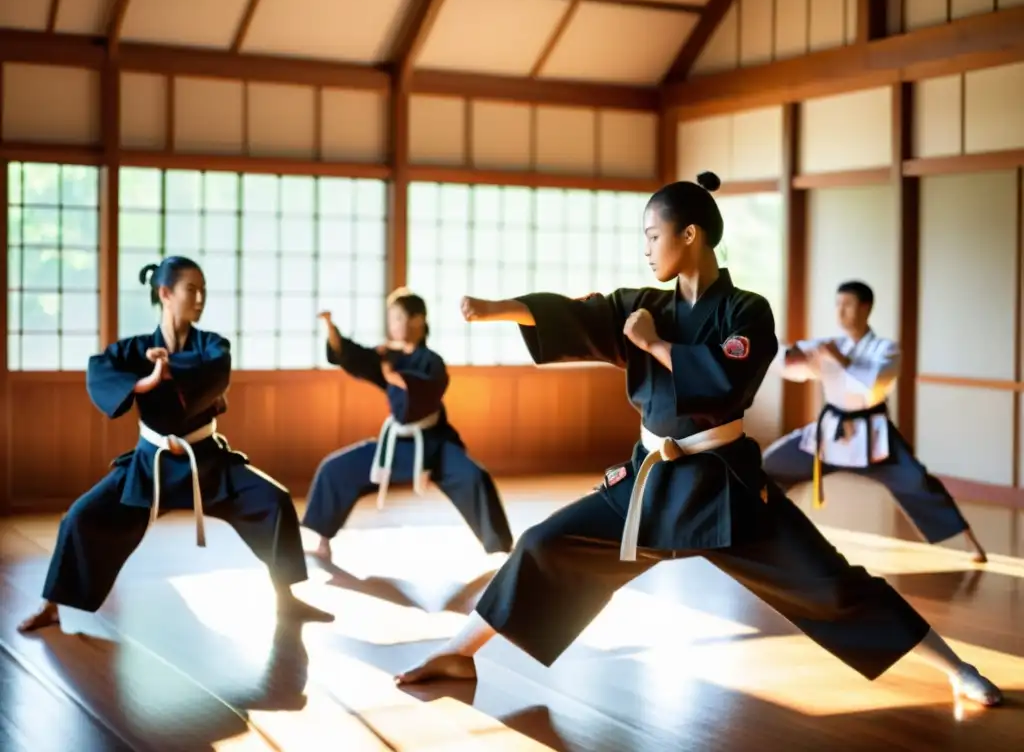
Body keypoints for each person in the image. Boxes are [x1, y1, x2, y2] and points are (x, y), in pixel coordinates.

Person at [393, 173, 1002, 709]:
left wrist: (657, 346)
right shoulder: (643, 304)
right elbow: (583, 316)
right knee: (546, 542)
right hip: (649, 483)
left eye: (653, 236)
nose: (646, 249)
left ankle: (957, 669)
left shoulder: (746, 310)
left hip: (726, 489)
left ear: (690, 235)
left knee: (830, 584)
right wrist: (500, 309)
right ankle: (459, 651)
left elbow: (729, 375)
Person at [18, 256, 331, 634]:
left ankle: (286, 598)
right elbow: (100, 368)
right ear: (165, 293)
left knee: (274, 501)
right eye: (191, 289)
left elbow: (216, 369)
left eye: (203, 289)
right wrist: (144, 383)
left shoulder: (212, 345)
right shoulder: (136, 350)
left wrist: (167, 370)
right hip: (151, 465)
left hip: (208, 462)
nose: (199, 297)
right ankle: (52, 604)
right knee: (82, 516)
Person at [763, 280, 988, 563]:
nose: (840, 311)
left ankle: (971, 543)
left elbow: (874, 387)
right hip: (830, 431)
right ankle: (765, 528)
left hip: (872, 435)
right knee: (772, 463)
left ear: (866, 308)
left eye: (848, 305)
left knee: (917, 481)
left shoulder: (886, 349)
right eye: (838, 304)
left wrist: (841, 360)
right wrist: (789, 353)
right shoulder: (828, 345)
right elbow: (790, 365)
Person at [301, 288, 514, 561]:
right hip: (396, 444)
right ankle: (323, 542)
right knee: (335, 468)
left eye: (400, 317)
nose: (394, 325)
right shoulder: (389, 357)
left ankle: (503, 550)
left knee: (475, 477)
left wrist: (390, 372)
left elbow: (425, 390)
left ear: (418, 320)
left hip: (433, 443)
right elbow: (349, 354)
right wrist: (330, 327)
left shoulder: (430, 362)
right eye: (391, 319)